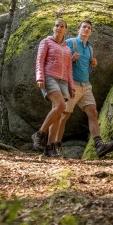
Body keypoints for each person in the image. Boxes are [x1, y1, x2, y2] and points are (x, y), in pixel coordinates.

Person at [55, 19, 113, 158]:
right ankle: (55, 146)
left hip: (86, 85)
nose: (86, 29)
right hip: (71, 85)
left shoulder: (90, 48)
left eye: (89, 28)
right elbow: (59, 62)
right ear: (78, 30)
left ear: (91, 32)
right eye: (84, 27)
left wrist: (92, 64)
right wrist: (71, 59)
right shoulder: (70, 43)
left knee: (93, 113)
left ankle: (99, 145)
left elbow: (85, 69)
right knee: (64, 116)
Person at [31, 18, 75, 157]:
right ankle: (39, 134)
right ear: (53, 28)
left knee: (57, 112)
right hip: (49, 77)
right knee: (61, 106)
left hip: (63, 81)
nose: (59, 28)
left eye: (62, 26)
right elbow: (40, 60)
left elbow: (69, 69)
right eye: (57, 25)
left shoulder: (67, 48)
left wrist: (71, 86)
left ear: (65, 30)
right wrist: (40, 77)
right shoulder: (46, 42)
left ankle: (49, 147)